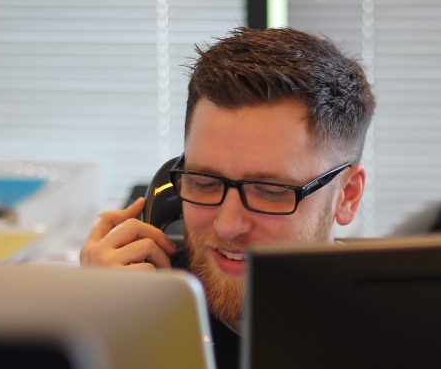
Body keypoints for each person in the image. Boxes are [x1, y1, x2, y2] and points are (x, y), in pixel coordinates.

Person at [80, 27, 374, 369]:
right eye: (205, 182)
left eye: (271, 191)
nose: (228, 224)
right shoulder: (134, 304)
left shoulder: (407, 334)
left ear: (347, 196)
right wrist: (101, 328)